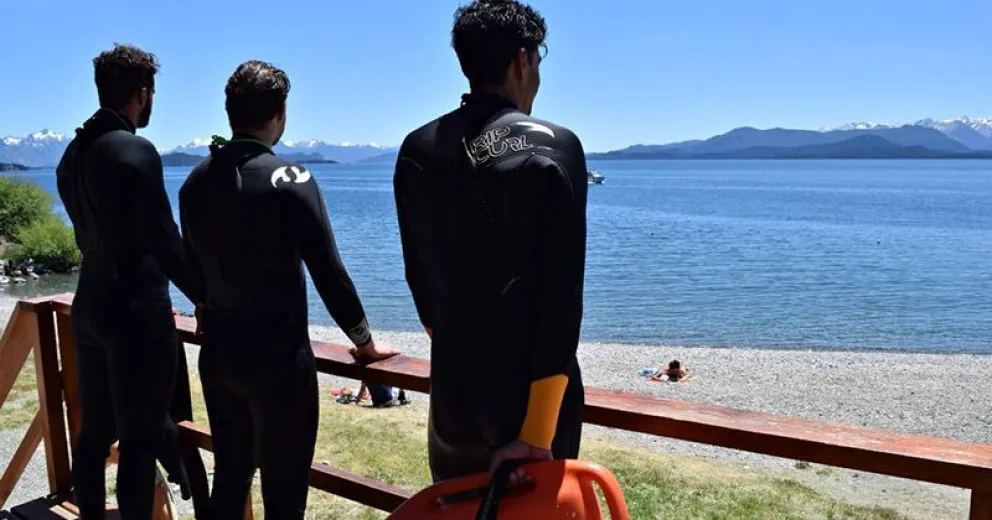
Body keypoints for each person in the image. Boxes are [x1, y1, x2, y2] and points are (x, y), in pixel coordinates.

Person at [179, 60, 398, 519]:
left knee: (231, 478)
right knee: (284, 490)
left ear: (230, 112)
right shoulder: (289, 179)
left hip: (218, 355)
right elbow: (330, 273)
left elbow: (193, 265)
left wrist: (203, 304)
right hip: (278, 363)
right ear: (279, 112)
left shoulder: (195, 182)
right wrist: (364, 342)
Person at [393, 0, 588, 484]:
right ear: (522, 60)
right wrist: (538, 432)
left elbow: (421, 283)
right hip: (529, 404)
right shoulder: (555, 145)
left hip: (454, 397)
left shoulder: (417, 149)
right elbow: (562, 297)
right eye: (538, 61)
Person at [55, 43, 200, 519]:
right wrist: (208, 298)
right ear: (142, 93)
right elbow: (164, 238)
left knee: (94, 434)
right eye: (152, 92)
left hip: (89, 304)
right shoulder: (134, 150)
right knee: (139, 442)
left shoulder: (72, 155)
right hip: (136, 309)